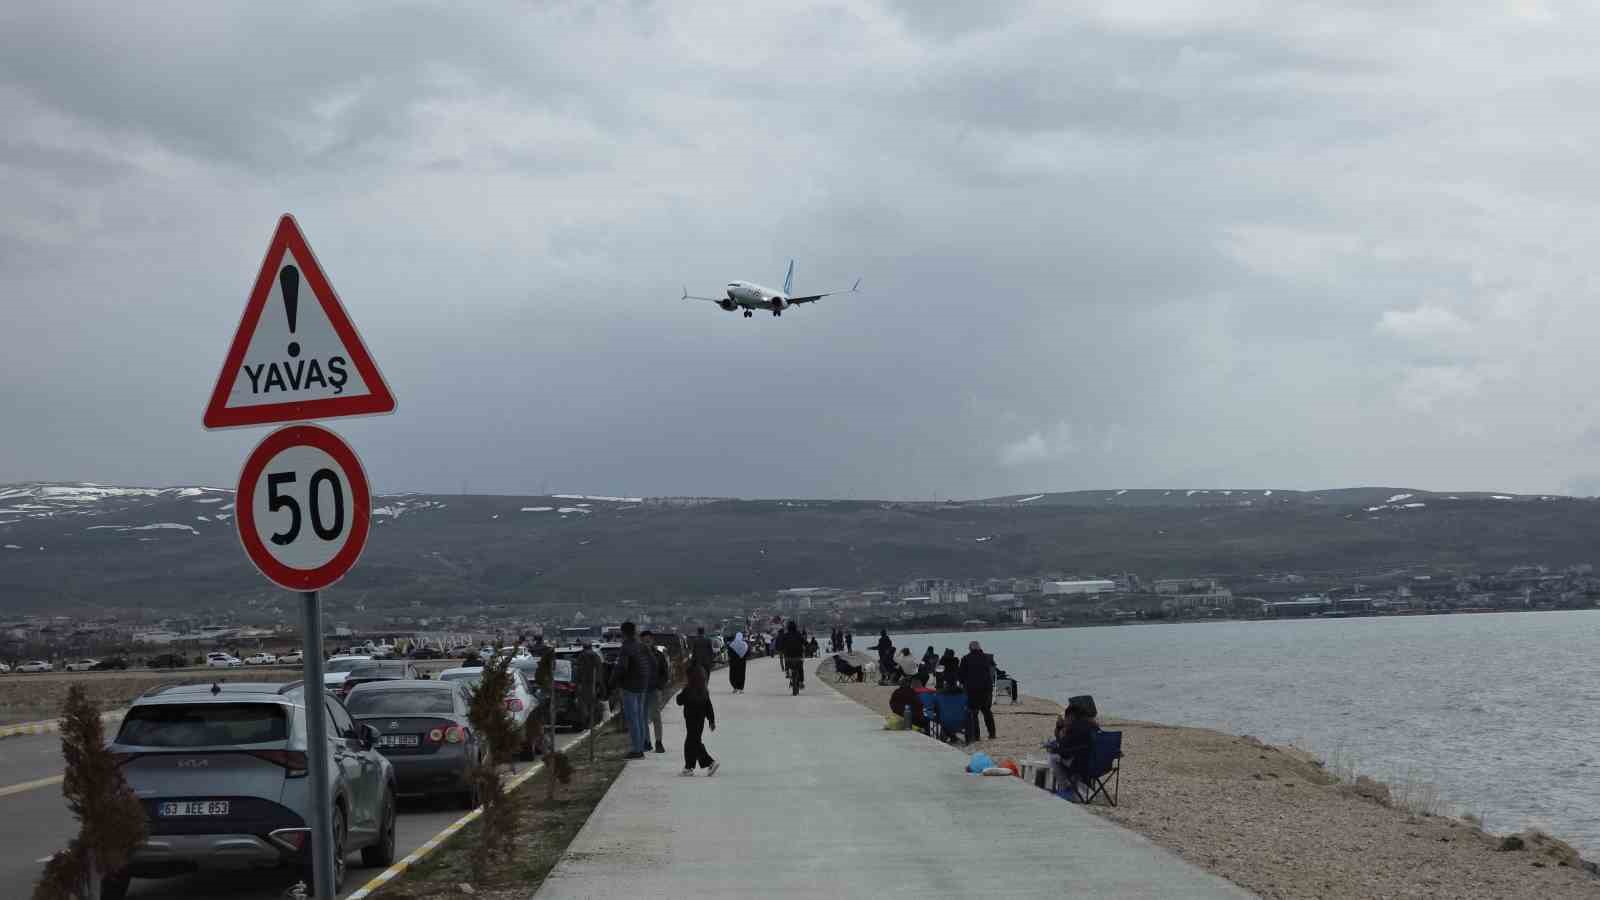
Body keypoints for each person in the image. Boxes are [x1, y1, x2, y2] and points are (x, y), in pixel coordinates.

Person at [608, 621, 651, 759]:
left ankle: (637, 750)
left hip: (630, 686)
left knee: (633, 719)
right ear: (635, 631)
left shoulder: (626, 647)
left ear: (623, 633)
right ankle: (642, 745)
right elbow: (651, 662)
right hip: (643, 684)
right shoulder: (641, 645)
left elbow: (621, 667)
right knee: (640, 717)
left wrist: (611, 682)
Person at [1047, 701, 1100, 798]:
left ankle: (1066, 787)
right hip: (1099, 764)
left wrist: (1060, 728)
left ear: (1071, 716)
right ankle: (1078, 786)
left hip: (1081, 765)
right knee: (1067, 756)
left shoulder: (1074, 728)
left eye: (1066, 717)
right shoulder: (1094, 726)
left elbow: (1064, 750)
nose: (1065, 720)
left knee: (1053, 757)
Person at [675, 663, 719, 776]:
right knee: (693, 742)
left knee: (693, 743)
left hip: (691, 720)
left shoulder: (688, 690)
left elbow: (679, 701)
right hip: (700, 721)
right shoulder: (704, 690)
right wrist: (711, 721)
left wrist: (682, 690)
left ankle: (709, 763)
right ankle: (689, 767)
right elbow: (709, 706)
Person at [959, 641, 996, 742]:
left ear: (970, 649)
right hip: (986, 689)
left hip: (972, 690)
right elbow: (993, 672)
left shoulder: (965, 659)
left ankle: (976, 736)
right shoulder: (988, 657)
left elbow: (961, 675)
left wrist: (963, 683)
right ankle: (992, 733)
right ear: (979, 648)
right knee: (987, 711)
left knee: (973, 713)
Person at [640, 629, 669, 754]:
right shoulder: (638, 655)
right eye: (644, 641)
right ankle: (646, 741)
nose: (646, 643)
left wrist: (659, 686)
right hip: (641, 690)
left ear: (652, 641)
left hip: (655, 689)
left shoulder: (658, 655)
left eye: (648, 641)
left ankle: (658, 742)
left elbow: (665, 672)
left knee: (656, 716)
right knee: (643, 717)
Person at [777, 621, 806, 690]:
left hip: (788, 656)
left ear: (788, 627)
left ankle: (787, 672)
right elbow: (804, 642)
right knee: (800, 668)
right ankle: (801, 682)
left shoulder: (785, 635)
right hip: (798, 656)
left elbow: (781, 645)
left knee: (787, 661)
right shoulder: (798, 634)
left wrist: (780, 649)